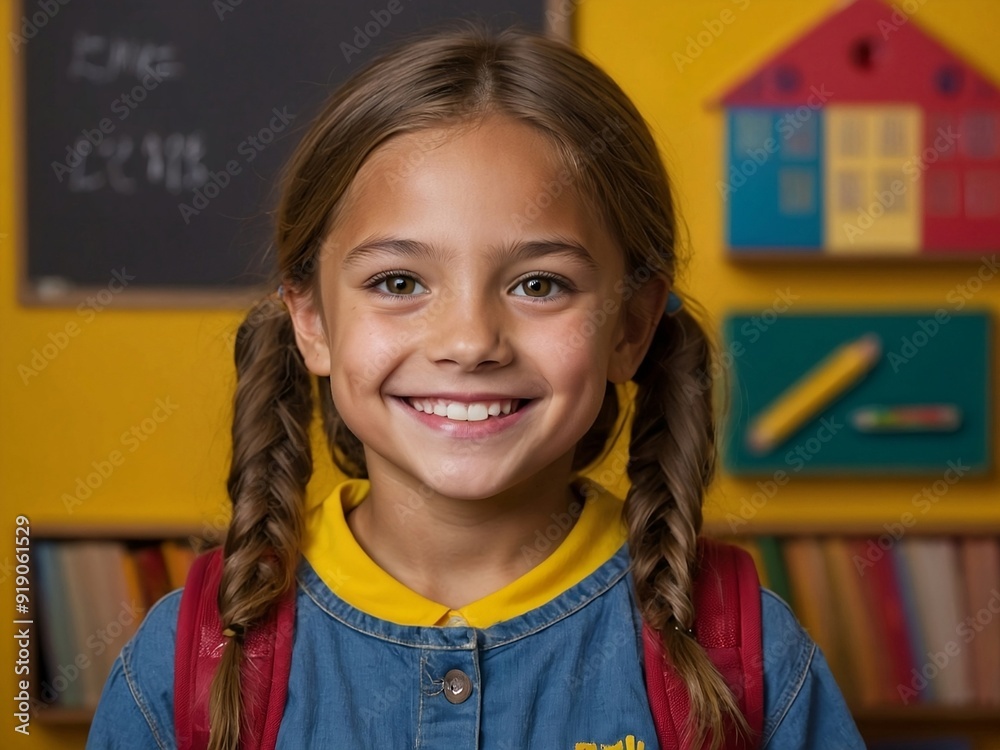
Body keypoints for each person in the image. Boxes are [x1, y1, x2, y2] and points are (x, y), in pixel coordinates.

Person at [87, 24, 864, 750]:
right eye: (398, 281)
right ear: (312, 319)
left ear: (629, 326)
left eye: (538, 284)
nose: (469, 342)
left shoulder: (748, 656)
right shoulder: (185, 661)